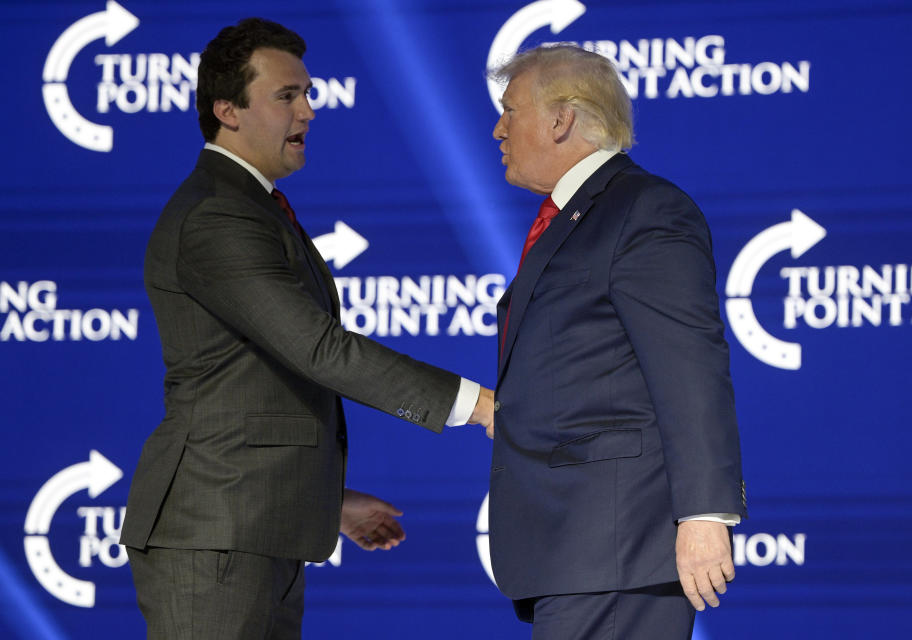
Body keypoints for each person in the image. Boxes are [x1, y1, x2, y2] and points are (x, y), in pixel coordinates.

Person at [119, 18, 493, 639]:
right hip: (215, 537)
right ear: (226, 110)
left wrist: (330, 503)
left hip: (253, 532)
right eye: (287, 96)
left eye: (308, 93)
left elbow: (252, 387)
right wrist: (474, 404)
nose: (309, 111)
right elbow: (317, 349)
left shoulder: (252, 207)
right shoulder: (218, 215)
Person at [487, 44, 746, 639]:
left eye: (510, 110)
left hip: (618, 546)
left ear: (560, 119)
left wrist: (703, 514)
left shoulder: (643, 209)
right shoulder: (575, 216)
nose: (499, 128)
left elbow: (691, 368)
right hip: (577, 550)